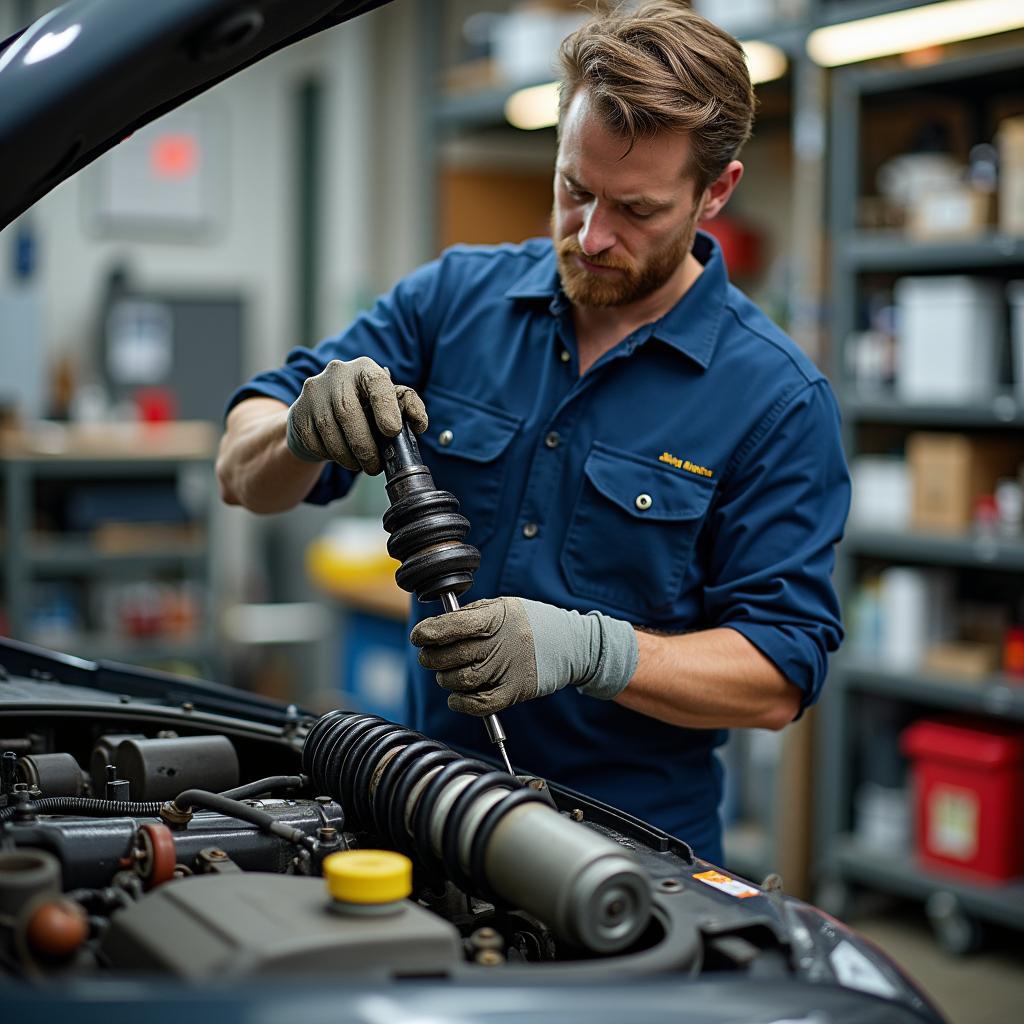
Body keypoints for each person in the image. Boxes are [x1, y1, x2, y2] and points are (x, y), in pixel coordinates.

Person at [216, 1, 850, 864]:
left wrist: (592, 650)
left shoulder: (777, 400)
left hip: (631, 854)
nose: (591, 236)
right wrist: (297, 429)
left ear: (717, 193)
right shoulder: (452, 303)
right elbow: (239, 475)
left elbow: (778, 675)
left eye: (637, 210)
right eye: (574, 190)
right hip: (428, 812)